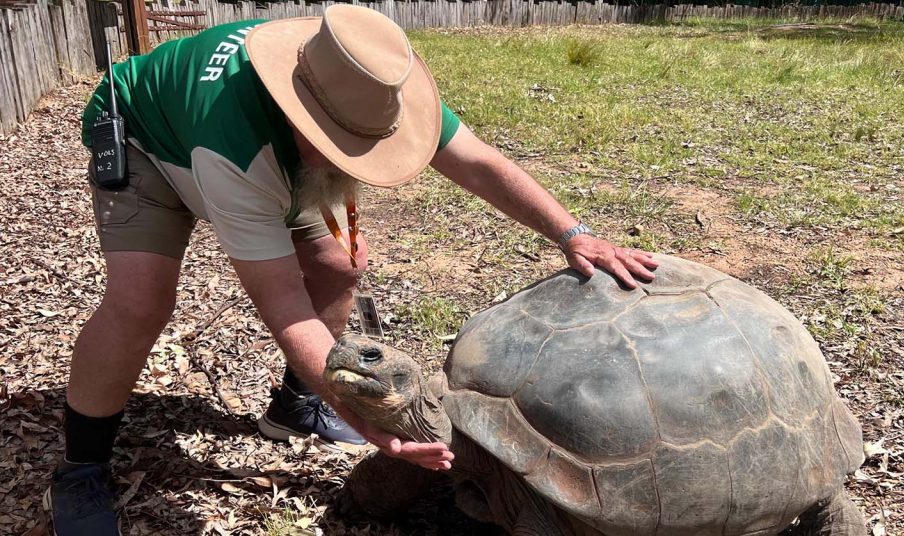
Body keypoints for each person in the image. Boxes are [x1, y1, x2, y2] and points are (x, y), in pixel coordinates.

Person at [47, 5, 659, 534]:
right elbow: (282, 303)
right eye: (342, 145)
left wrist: (572, 233)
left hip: (261, 158)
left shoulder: (362, 77)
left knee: (339, 266)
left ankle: (294, 405)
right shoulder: (234, 143)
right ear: (296, 116)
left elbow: (476, 161)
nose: (359, 162)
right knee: (140, 302)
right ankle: (79, 469)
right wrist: (370, 419)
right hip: (146, 137)